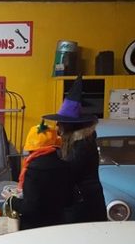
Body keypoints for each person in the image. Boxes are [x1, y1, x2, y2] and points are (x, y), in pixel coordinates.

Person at [44, 74, 107, 224]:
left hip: (84, 206)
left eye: (61, 122)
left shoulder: (81, 146)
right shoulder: (81, 142)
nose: (57, 126)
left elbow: (67, 172)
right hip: (86, 202)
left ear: (70, 126)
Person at [14, 121, 71, 230]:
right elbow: (68, 199)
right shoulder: (65, 166)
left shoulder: (33, 170)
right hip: (58, 225)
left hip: (34, 228)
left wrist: (12, 201)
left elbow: (29, 207)